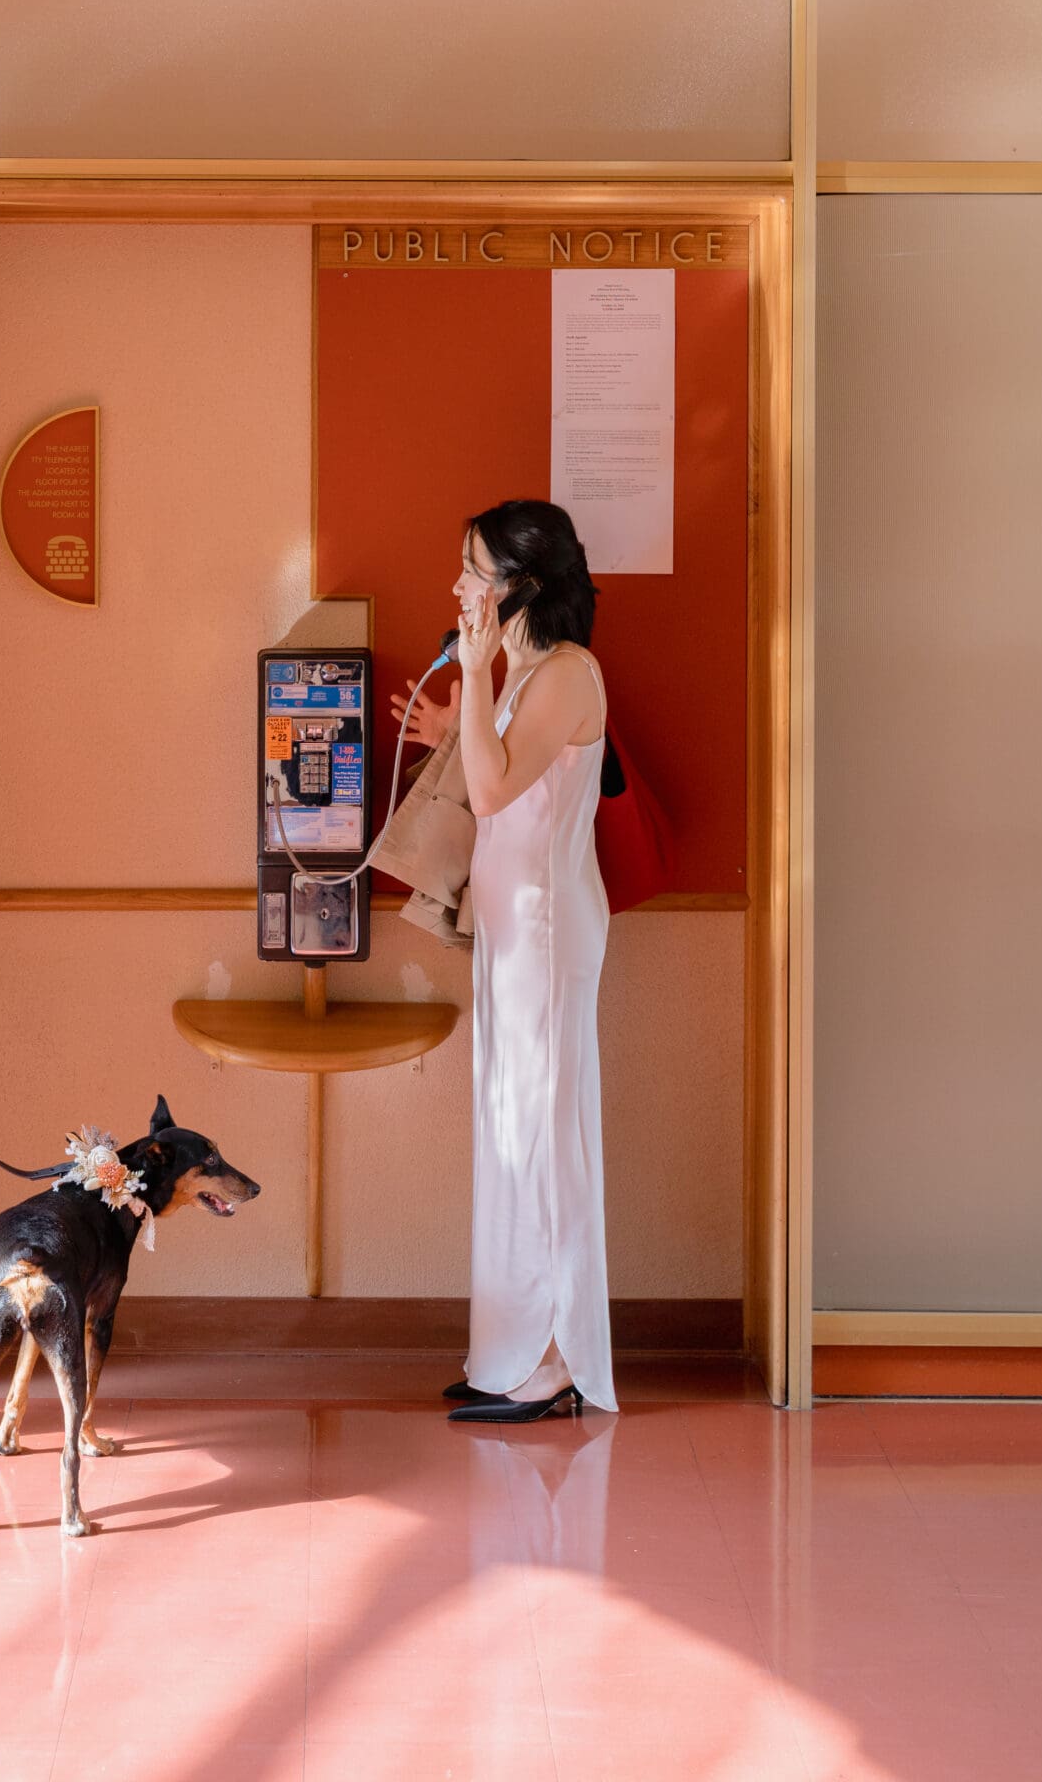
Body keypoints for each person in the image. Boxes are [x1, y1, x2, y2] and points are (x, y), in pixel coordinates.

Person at [396, 499, 617, 1423]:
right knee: (507, 1129)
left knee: (539, 1133)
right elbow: (492, 768)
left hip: (545, 931)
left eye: (473, 569)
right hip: (513, 931)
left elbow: (490, 794)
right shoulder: (527, 672)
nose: (459, 584)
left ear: (520, 584)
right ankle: (507, 1349)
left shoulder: (564, 672)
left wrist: (476, 670)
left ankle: (554, 1359)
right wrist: (461, 709)